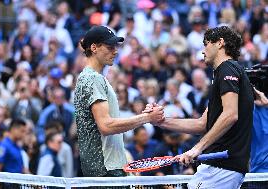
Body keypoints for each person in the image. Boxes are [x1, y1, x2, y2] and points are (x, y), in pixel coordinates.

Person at [146, 26, 254, 188]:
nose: (203, 51)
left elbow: (231, 114)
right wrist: (161, 121)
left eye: (206, 44)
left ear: (220, 43)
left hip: (222, 167)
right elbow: (202, 124)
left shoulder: (227, 68)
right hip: (220, 166)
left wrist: (197, 148)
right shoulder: (225, 72)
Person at [74, 25, 164, 177]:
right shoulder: (92, 78)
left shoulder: (93, 77)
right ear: (94, 48)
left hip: (105, 167)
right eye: (109, 47)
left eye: (115, 47)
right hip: (105, 169)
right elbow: (106, 126)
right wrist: (146, 118)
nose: (115, 51)